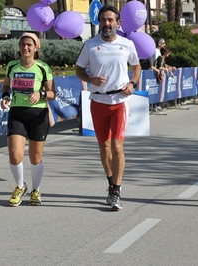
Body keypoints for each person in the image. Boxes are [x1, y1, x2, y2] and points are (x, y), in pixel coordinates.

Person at [75, 5, 141, 211]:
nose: (107, 23)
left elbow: (137, 66)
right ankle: (111, 183)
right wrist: (90, 78)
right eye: (103, 20)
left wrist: (132, 84)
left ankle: (117, 190)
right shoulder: (90, 45)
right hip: (98, 102)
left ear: (118, 23)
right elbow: (78, 70)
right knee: (104, 147)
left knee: (117, 146)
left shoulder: (127, 44)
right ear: (99, 23)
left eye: (111, 20)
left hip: (120, 101)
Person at [0, 32, 56, 207]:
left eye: (29, 45)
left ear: (36, 47)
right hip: (17, 113)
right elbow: (6, 86)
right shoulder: (12, 66)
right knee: (15, 155)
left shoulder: (43, 68)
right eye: (23, 45)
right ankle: (19, 185)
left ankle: (36, 190)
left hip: (38, 115)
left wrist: (41, 93)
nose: (25, 48)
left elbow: (53, 93)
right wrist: (5, 97)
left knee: (35, 157)